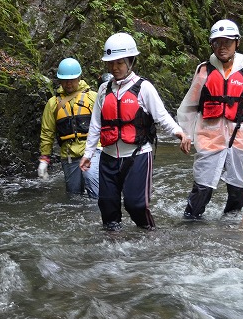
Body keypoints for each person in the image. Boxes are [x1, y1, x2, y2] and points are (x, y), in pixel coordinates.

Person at [80, 32, 191, 231]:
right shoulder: (104, 91)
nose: (115, 68)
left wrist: (179, 133)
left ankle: (150, 237)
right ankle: (113, 250)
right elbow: (96, 125)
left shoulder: (144, 88)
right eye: (111, 63)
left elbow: (162, 116)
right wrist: (88, 154)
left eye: (120, 63)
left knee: (136, 205)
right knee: (107, 207)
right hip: (107, 157)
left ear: (131, 61)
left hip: (137, 155)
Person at [177, 19, 243, 219]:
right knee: (202, 186)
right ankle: (191, 223)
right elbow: (190, 104)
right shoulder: (204, 70)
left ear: (237, 43)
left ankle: (230, 226)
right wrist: (185, 133)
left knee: (238, 186)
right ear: (212, 44)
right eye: (217, 43)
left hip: (240, 134)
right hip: (208, 134)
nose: (222, 47)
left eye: (227, 42)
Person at [37, 57, 100, 198]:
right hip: (69, 155)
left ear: (79, 78)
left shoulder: (94, 97)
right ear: (59, 80)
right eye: (65, 80)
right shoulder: (53, 104)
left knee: (94, 187)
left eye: (72, 79)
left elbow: (106, 124)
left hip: (93, 151)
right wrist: (44, 159)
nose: (68, 83)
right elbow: (47, 132)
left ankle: (97, 217)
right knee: (73, 196)